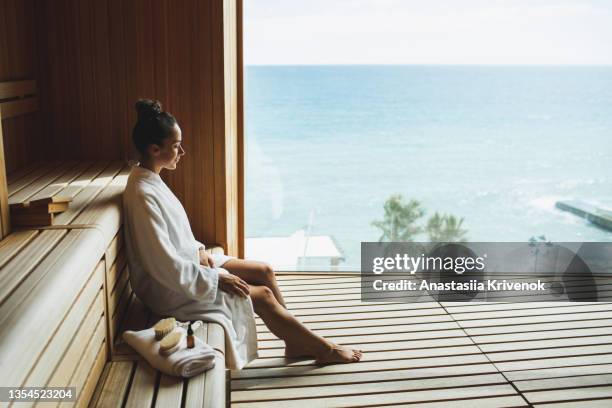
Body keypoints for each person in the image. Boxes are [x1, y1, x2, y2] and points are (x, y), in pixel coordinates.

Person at [123, 99, 362, 369]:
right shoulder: (143, 194)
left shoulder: (150, 179)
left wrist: (199, 250)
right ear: (155, 149)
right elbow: (162, 265)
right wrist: (215, 280)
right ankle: (323, 348)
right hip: (169, 287)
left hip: (189, 264)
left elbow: (175, 235)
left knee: (264, 270)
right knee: (261, 296)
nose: (183, 152)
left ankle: (294, 340)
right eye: (177, 146)